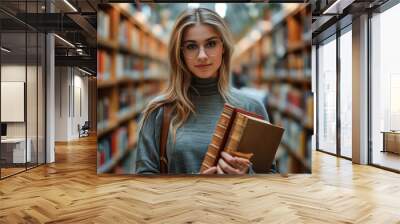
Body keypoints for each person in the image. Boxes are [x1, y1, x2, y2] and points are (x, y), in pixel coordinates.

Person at [135, 7, 272, 174]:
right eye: (191, 46)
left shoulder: (252, 108)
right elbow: (143, 181)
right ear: (180, 53)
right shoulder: (158, 111)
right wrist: (194, 187)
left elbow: (270, 176)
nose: (202, 55)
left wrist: (246, 176)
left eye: (211, 44)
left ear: (223, 48)